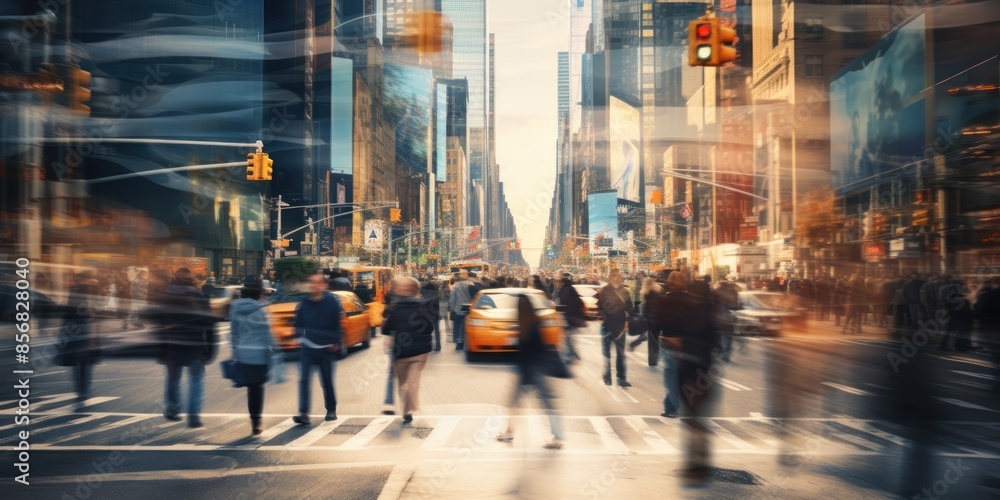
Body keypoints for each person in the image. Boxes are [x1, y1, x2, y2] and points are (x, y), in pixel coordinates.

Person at [497, 294, 565, 450]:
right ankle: (557, 437)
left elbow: (527, 349)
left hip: (531, 370)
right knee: (545, 404)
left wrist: (513, 343)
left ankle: (511, 432)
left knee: (519, 403)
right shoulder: (534, 324)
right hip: (535, 369)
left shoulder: (528, 327)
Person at [155, 268, 217, 427]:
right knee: (196, 380)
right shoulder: (198, 296)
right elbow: (209, 326)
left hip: (172, 346)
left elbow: (159, 326)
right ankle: (194, 414)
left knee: (173, 378)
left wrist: (160, 349)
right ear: (192, 281)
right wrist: (210, 350)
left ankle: (172, 408)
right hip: (194, 346)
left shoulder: (165, 297)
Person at [292, 272, 344, 425]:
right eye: (310, 282)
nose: (313, 285)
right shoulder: (304, 303)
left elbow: (338, 323)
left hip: (326, 347)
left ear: (323, 285)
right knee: (304, 380)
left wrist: (336, 342)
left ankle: (331, 409)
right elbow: (298, 323)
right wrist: (297, 336)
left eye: (316, 283)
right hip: (307, 347)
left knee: (326, 380)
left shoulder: (332, 302)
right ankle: (304, 413)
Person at [229, 276, 277, 435]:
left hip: (243, 355)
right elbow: (267, 335)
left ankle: (254, 421)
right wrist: (272, 354)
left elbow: (233, 333)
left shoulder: (235, 308)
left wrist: (235, 351)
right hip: (259, 356)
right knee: (257, 389)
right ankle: (256, 423)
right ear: (259, 293)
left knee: (250, 389)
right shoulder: (261, 311)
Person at [384, 276, 435, 424]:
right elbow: (430, 327)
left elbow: (386, 328)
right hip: (420, 350)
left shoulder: (394, 307)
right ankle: (410, 407)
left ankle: (407, 410)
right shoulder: (424, 305)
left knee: (403, 382)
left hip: (402, 351)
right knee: (413, 381)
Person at [62, 272, 101, 411]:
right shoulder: (88, 291)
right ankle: (83, 389)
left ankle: (80, 389)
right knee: (85, 361)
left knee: (77, 361)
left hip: (73, 329)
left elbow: (67, 312)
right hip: (85, 330)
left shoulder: (73, 290)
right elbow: (92, 314)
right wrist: (94, 333)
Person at [596, 269, 634, 387]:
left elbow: (631, 309)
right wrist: (604, 317)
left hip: (620, 328)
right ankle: (607, 376)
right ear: (610, 278)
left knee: (621, 354)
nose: (617, 278)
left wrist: (627, 321)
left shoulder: (625, 292)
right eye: (614, 276)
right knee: (607, 354)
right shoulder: (604, 291)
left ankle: (621, 378)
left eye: (619, 276)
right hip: (607, 327)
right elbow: (599, 308)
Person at [629, 277, 662, 367]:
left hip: (649, 321)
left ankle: (652, 360)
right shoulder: (657, 294)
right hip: (656, 321)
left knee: (650, 341)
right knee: (654, 342)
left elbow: (646, 310)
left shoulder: (646, 294)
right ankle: (653, 361)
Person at [554, 274, 584, 364]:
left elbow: (561, 304)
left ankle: (570, 355)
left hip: (569, 317)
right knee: (569, 337)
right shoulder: (572, 289)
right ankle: (573, 354)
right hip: (574, 316)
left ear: (562, 283)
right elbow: (580, 303)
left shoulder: (564, 291)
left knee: (568, 338)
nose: (557, 284)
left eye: (559, 282)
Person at [448, 270, 475, 351]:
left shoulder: (455, 286)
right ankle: (469, 342)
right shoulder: (471, 284)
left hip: (458, 309)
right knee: (469, 326)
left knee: (458, 325)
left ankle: (459, 343)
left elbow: (452, 298)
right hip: (469, 308)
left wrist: (451, 308)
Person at [419, 279, 442, 351]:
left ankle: (428, 344)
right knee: (437, 330)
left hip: (426, 315)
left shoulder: (424, 296)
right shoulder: (436, 295)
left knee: (426, 330)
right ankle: (438, 345)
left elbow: (423, 305)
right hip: (435, 314)